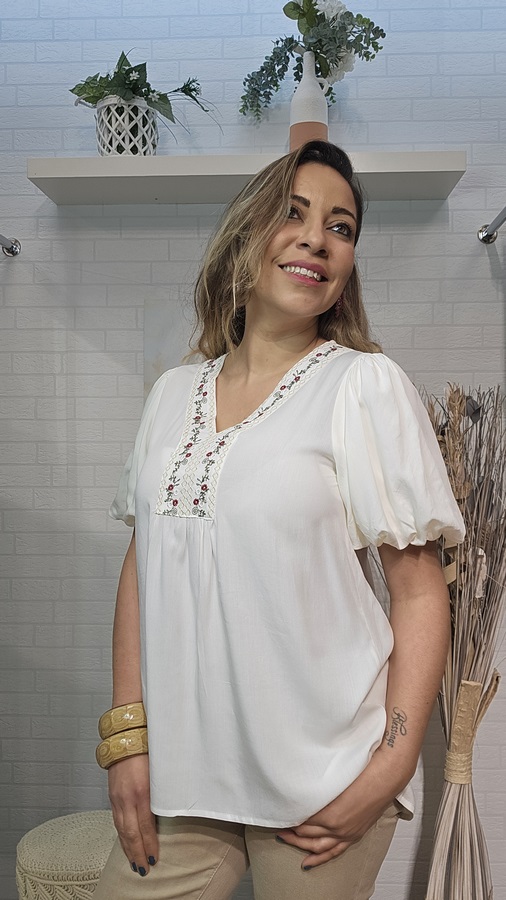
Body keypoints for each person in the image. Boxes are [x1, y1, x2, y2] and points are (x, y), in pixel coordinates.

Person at [93, 140, 465, 900]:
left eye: (341, 227)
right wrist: (127, 741)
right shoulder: (171, 395)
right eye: (293, 214)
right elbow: (143, 566)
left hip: (325, 782)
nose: (317, 239)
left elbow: (419, 590)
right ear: (247, 233)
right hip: (185, 779)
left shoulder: (364, 387)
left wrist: (389, 767)